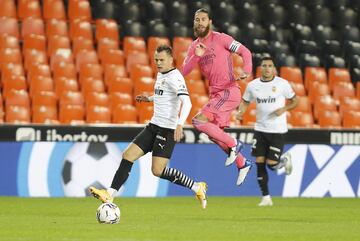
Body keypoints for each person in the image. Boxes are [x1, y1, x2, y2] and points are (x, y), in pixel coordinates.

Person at [90, 45, 208, 209]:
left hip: (167, 130)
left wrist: (180, 124)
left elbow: (187, 103)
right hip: (153, 126)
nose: (158, 63)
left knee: (158, 171)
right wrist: (150, 99)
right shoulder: (161, 74)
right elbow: (164, 94)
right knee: (128, 155)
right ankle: (110, 194)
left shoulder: (175, 77)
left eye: (162, 60)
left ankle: (196, 187)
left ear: (171, 59)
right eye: (156, 60)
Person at [181, 8, 253, 186]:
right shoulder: (194, 47)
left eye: (203, 19)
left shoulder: (221, 39)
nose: (199, 23)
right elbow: (185, 71)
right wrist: (196, 57)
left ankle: (235, 144)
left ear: (210, 22)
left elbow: (246, 52)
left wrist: (246, 71)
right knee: (214, 135)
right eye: (197, 19)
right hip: (216, 94)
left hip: (229, 91)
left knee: (198, 121)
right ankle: (242, 163)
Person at [236, 56, 298, 206]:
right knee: (259, 162)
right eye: (264, 65)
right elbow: (245, 101)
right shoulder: (252, 85)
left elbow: (295, 101)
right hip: (260, 129)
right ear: (260, 68)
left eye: (270, 65)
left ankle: (283, 160)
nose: (267, 68)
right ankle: (266, 197)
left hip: (277, 131)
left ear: (274, 68)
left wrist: (283, 109)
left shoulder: (282, 84)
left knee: (271, 164)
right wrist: (241, 111)